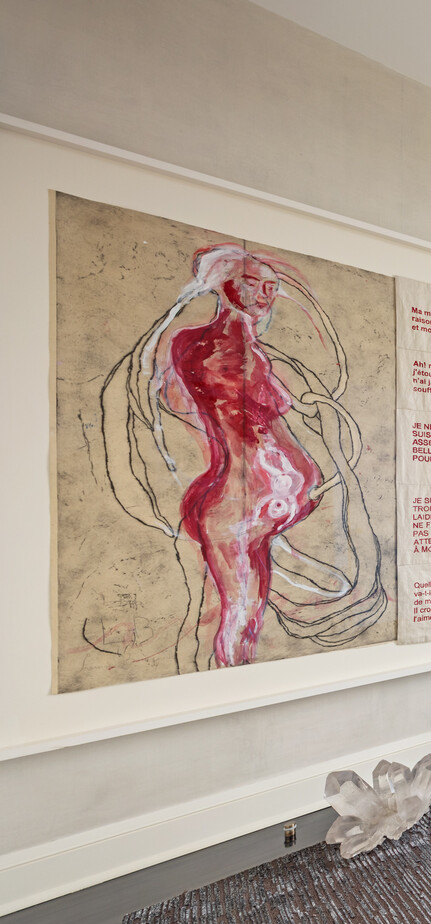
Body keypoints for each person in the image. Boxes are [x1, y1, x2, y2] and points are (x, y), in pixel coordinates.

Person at [102, 243, 387, 671]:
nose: (266, 294)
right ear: (224, 284)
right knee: (238, 613)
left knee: (245, 612)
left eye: (272, 286)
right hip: (243, 502)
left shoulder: (253, 353)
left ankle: (234, 680)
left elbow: (276, 413)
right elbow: (195, 401)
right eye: (253, 284)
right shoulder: (203, 345)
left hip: (264, 501)